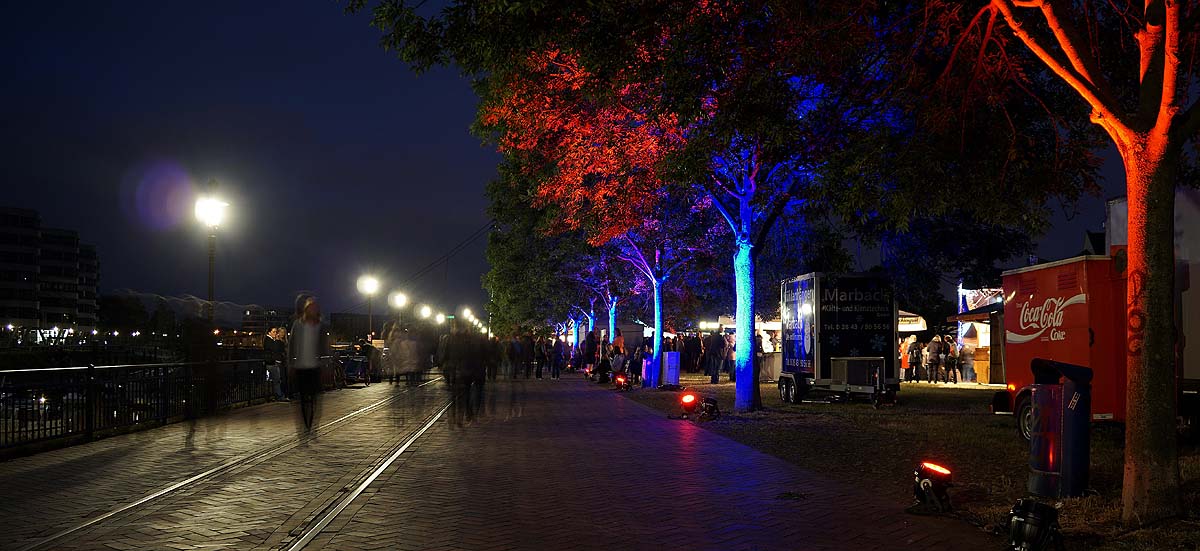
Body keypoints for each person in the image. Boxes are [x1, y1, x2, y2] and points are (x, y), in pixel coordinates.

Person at [289, 294, 328, 431]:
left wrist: (325, 363)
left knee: (314, 395)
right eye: (310, 308)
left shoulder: (320, 326)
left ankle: (311, 419)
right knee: (302, 396)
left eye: (314, 308)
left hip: (315, 366)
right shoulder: (298, 325)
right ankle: (305, 422)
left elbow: (324, 346)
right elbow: (292, 345)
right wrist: (291, 363)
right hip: (300, 366)